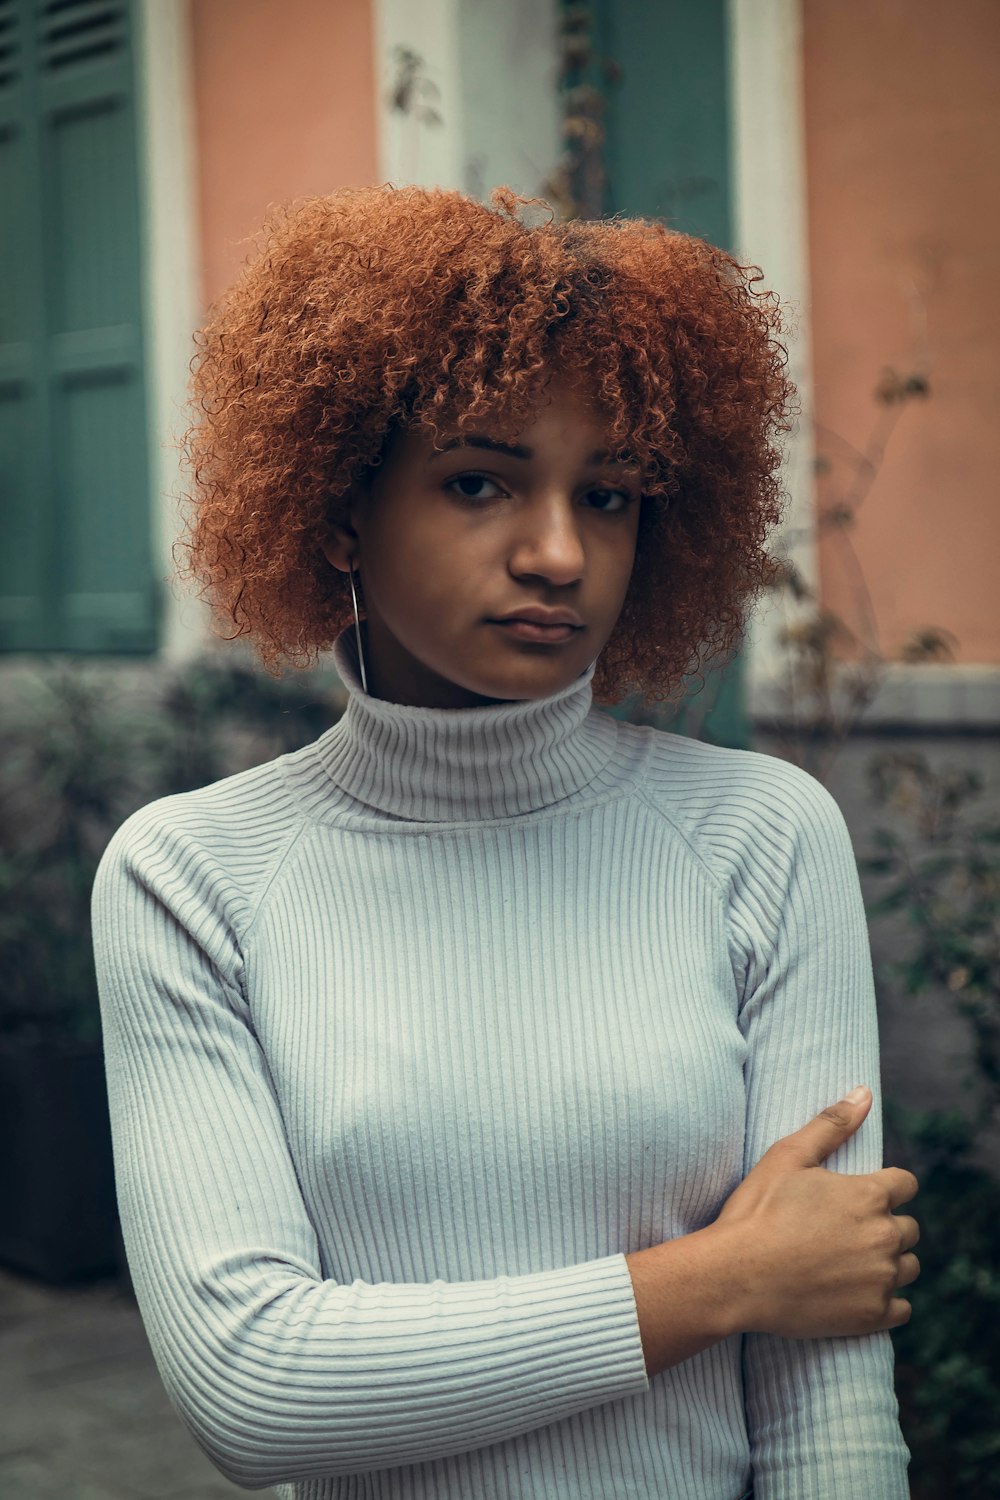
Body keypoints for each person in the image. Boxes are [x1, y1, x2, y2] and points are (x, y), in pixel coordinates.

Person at [91, 185, 919, 1499]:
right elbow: (253, 1384)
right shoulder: (194, 878)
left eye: (610, 494)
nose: (556, 552)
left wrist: (776, 1287)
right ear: (343, 510)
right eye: (478, 480)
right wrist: (723, 1278)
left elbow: (829, 1408)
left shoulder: (761, 835)